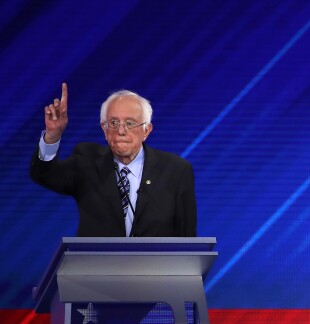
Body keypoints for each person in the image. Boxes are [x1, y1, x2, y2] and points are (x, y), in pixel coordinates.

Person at [30, 83, 197, 237]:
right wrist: (52, 136)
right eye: (114, 122)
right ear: (104, 128)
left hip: (157, 268)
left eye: (130, 123)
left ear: (146, 130)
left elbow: (188, 241)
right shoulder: (86, 161)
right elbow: (45, 175)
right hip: (98, 267)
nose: (121, 131)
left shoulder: (176, 171)